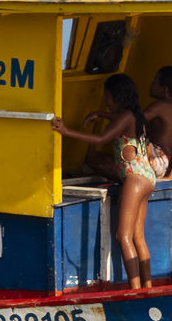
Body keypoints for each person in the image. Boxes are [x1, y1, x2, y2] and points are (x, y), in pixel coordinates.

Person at [52, 73, 155, 289]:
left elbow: (101, 138)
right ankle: (147, 287)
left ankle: (135, 290)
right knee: (138, 236)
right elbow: (120, 122)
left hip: (134, 179)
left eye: (107, 96)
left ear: (117, 96)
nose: (105, 100)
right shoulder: (135, 115)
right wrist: (101, 114)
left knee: (122, 235)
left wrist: (66, 131)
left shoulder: (125, 116)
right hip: (147, 177)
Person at [145, 65, 172, 181]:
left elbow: (131, 119)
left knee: (97, 159)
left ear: (164, 89)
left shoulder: (161, 106)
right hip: (162, 167)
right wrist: (170, 177)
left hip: (153, 163)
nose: (151, 85)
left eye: (155, 82)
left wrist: (105, 115)